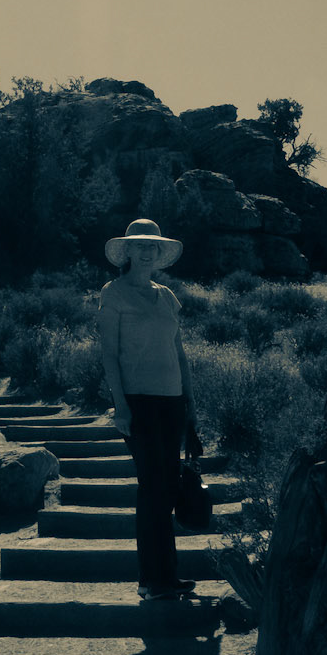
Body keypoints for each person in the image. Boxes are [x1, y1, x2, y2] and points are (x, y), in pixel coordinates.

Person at [97, 217, 204, 602]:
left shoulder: (166, 296)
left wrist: (190, 404)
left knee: (169, 486)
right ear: (127, 252)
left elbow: (179, 353)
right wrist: (120, 407)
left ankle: (167, 577)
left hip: (172, 400)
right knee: (153, 487)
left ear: (160, 255)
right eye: (139, 246)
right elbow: (109, 353)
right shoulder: (114, 293)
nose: (146, 252)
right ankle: (150, 579)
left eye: (152, 247)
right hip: (139, 402)